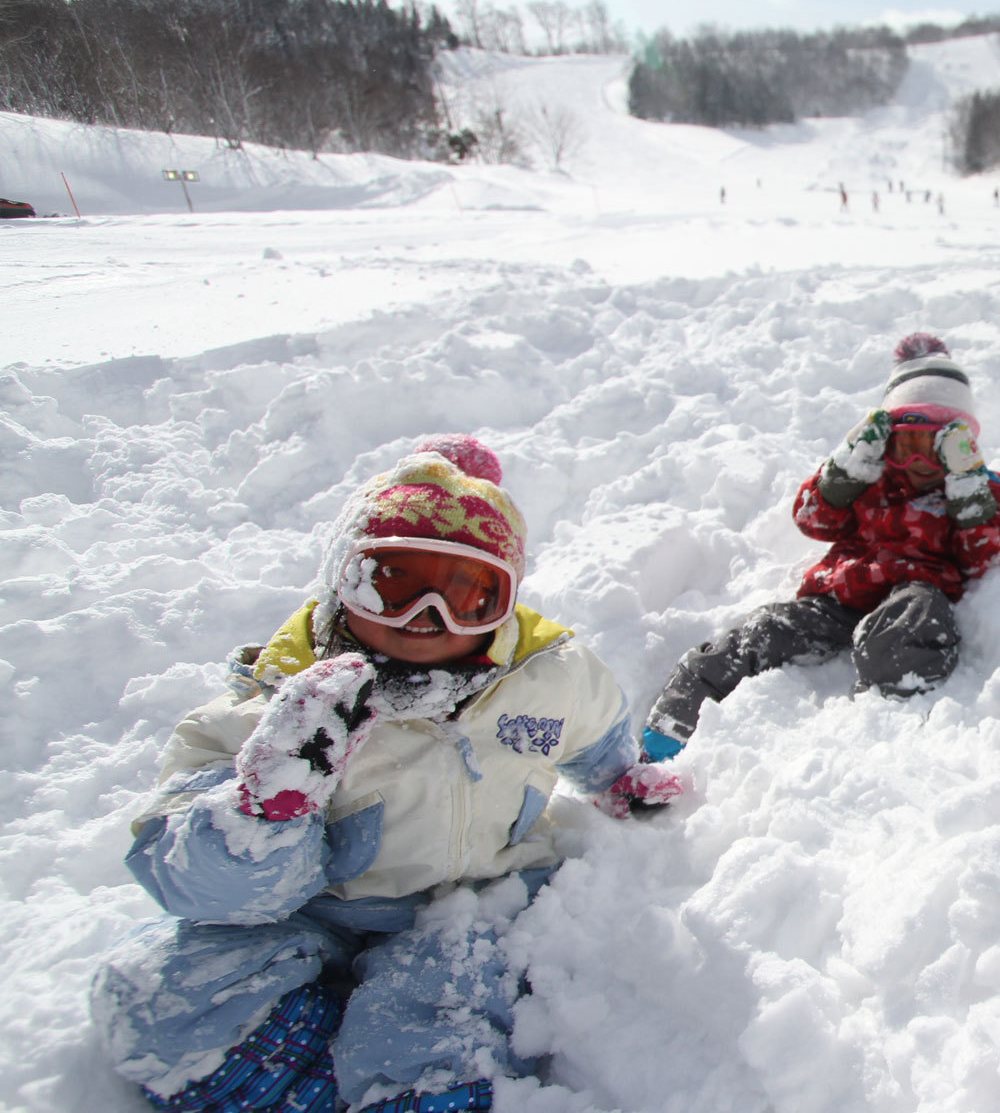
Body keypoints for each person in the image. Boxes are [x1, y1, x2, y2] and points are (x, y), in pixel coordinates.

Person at [89, 436, 679, 1113]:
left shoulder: (547, 676)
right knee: (156, 1004)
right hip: (310, 913)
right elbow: (193, 886)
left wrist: (619, 777)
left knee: (433, 1021)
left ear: (506, 603)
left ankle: (400, 1081)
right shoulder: (271, 710)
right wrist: (263, 812)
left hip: (460, 906)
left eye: (470, 594)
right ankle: (315, 1070)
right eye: (392, 582)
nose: (429, 618)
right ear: (341, 583)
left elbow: (596, 731)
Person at [643, 333, 1000, 750]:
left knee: (915, 616)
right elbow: (811, 519)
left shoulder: (982, 490)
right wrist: (843, 474)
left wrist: (969, 490)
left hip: (915, 594)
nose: (920, 462)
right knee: (762, 631)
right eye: (907, 444)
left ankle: (889, 727)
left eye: (937, 446)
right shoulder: (872, 480)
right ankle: (669, 731)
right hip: (839, 598)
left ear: (965, 446)